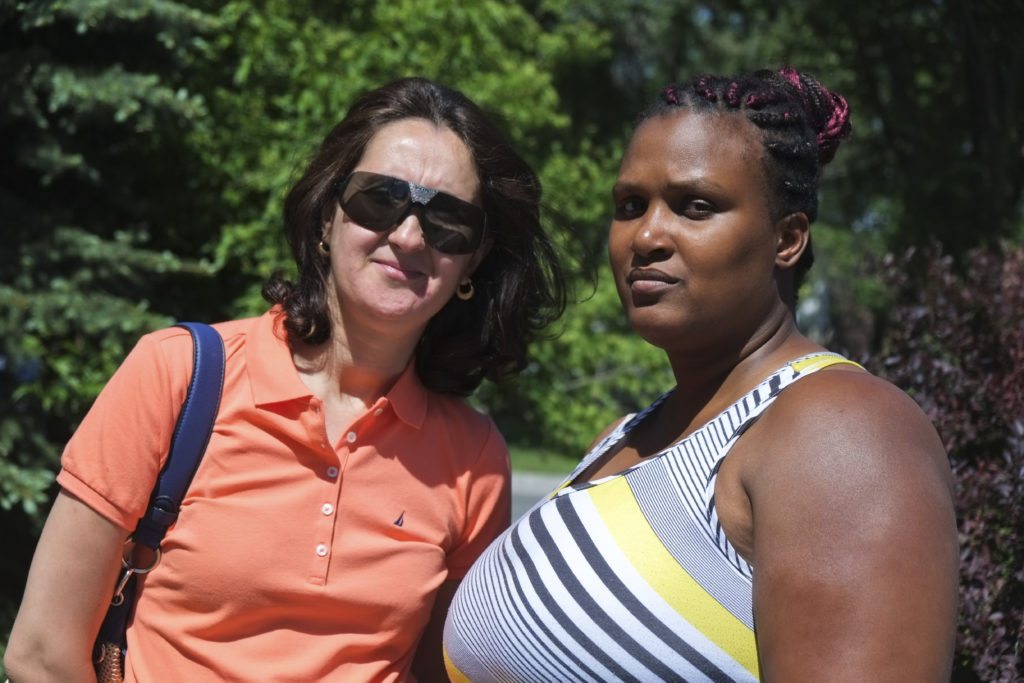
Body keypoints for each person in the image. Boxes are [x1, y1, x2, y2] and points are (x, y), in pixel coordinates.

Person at [5, 76, 567, 682]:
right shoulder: (178, 376)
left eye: (448, 221)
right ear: (328, 217)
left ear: (473, 260)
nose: (408, 236)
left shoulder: (473, 459)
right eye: (380, 199)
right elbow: (41, 654)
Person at [443, 67, 959, 682]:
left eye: (696, 206)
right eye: (630, 206)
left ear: (787, 239)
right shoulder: (622, 439)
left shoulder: (841, 433)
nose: (648, 236)